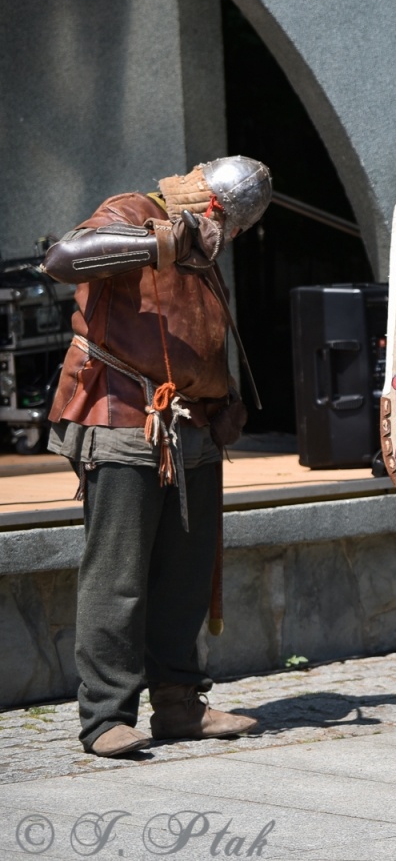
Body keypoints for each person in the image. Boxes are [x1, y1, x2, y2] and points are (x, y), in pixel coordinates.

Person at [42, 157, 268, 758]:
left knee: (185, 576)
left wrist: (224, 401)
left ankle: (178, 704)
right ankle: (105, 716)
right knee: (119, 575)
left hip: (192, 429)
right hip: (121, 417)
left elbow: (195, 333)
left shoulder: (203, 251)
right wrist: (160, 241)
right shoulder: (132, 213)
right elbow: (63, 259)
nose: (232, 240)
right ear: (211, 208)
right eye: (232, 226)